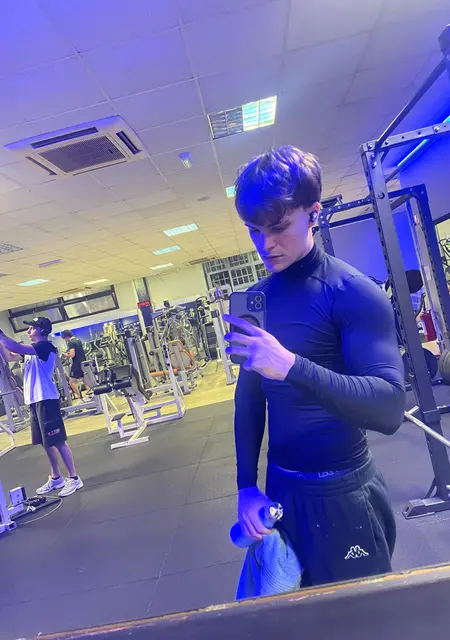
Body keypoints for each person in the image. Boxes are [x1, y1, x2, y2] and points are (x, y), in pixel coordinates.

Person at [223, 146, 406, 588]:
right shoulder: (252, 302)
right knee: (293, 617)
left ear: (313, 213)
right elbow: (249, 400)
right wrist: (247, 488)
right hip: (281, 493)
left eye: (278, 227)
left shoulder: (353, 292)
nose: (266, 244)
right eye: (254, 231)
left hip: (343, 492)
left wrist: (290, 366)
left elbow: (389, 409)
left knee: (358, 618)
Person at [0, 317, 83, 497]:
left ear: (42, 331)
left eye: (31, 328)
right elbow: (9, 356)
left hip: (46, 400)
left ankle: (74, 478)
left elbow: (15, 347)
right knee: (46, 442)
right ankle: (56, 477)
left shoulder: (45, 347)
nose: (28, 331)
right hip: (34, 401)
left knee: (58, 441)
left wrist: (1, 335)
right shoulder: (31, 351)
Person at [61, 330, 91, 401]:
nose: (65, 340)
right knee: (84, 378)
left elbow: (72, 355)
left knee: (71, 381)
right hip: (83, 362)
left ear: (66, 337)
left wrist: (65, 354)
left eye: (64, 338)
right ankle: (90, 394)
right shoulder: (78, 340)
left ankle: (79, 397)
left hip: (77, 364)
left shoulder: (71, 343)